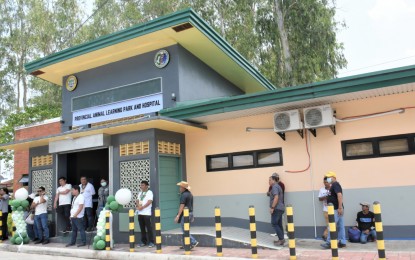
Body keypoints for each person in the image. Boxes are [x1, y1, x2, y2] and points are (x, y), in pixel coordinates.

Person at [321, 171, 346, 249]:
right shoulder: (334, 185)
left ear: (334, 177)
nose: (328, 179)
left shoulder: (335, 184)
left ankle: (329, 242)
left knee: (331, 225)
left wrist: (339, 208)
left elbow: (339, 195)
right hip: (337, 208)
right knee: (341, 226)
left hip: (336, 209)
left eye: (329, 177)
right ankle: (342, 242)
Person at [174, 181, 198, 249]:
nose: (179, 188)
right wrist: (192, 215)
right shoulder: (190, 194)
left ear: (183, 188)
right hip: (190, 213)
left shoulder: (184, 195)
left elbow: (182, 206)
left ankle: (193, 241)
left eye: (180, 187)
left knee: (185, 230)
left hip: (185, 214)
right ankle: (186, 244)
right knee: (186, 229)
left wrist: (178, 216)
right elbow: (191, 205)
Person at [136, 180, 155, 248]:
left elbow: (150, 201)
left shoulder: (149, 192)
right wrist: (138, 206)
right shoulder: (140, 193)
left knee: (149, 228)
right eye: (141, 185)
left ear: (147, 186)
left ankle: (151, 242)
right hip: (140, 213)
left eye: (143, 185)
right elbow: (137, 200)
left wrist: (142, 207)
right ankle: (143, 241)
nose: (141, 186)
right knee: (142, 228)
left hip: (146, 213)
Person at [267, 173, 286, 238]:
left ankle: (281, 239)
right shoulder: (277, 186)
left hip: (277, 208)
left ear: (274, 180)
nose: (268, 182)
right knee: (279, 224)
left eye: (270, 180)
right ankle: (281, 239)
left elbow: (276, 197)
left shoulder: (274, 186)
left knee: (274, 223)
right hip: (280, 208)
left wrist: (272, 208)